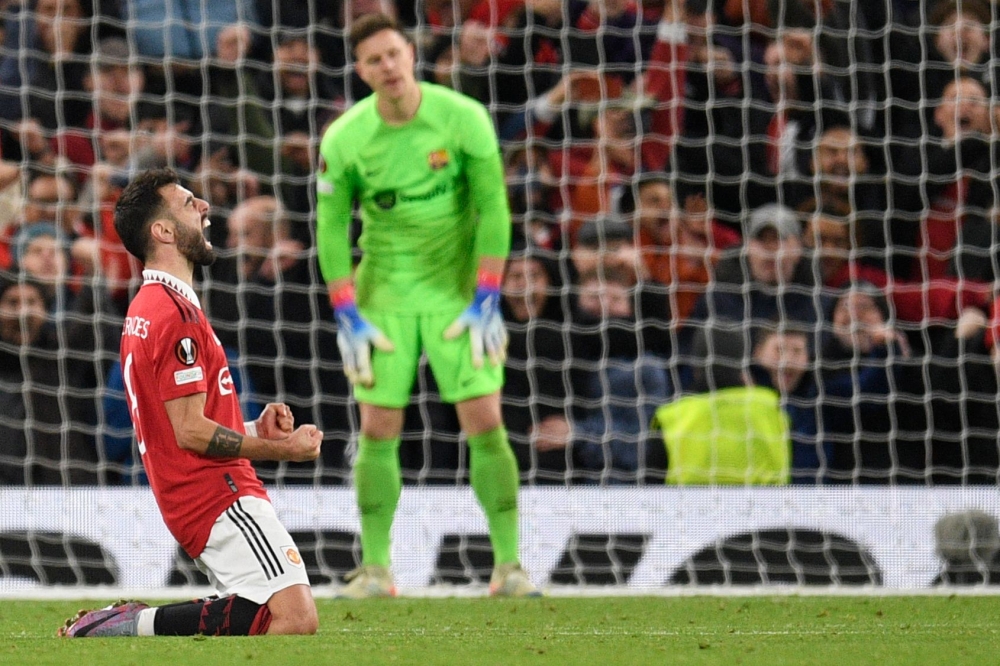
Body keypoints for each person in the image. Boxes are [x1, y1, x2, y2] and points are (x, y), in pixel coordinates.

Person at [315, 14, 538, 598]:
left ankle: (510, 566)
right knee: (377, 428)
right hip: (384, 293)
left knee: (485, 421)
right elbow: (332, 227)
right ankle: (376, 569)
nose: (386, 67)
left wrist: (489, 294)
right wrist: (346, 311)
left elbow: (494, 207)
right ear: (360, 71)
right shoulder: (345, 139)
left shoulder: (462, 119)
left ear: (410, 53)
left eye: (393, 54)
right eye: (373, 60)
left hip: (459, 293)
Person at [58, 168, 322, 637]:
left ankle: (129, 624)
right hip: (218, 493)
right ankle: (129, 625)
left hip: (193, 493)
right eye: (187, 203)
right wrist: (286, 450)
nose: (203, 207)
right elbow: (192, 432)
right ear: (162, 231)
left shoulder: (147, 306)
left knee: (258, 614)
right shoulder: (175, 314)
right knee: (294, 619)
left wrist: (255, 430)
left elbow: (179, 419)